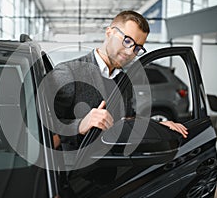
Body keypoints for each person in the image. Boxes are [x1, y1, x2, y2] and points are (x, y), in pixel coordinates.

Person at [48, 10, 188, 151]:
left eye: (137, 48)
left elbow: (125, 120)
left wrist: (157, 126)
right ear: (109, 33)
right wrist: (79, 126)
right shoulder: (69, 72)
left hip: (114, 165)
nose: (130, 52)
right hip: (75, 167)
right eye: (127, 41)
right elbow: (45, 130)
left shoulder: (123, 80)